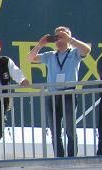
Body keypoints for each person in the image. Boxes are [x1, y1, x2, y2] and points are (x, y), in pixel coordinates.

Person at [28, 27, 92, 158]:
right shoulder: (51, 55)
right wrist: (40, 44)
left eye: (61, 36)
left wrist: (71, 40)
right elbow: (30, 58)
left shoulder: (74, 53)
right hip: (52, 95)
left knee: (70, 129)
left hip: (68, 94)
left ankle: (71, 157)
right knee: (55, 130)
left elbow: (87, 50)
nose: (58, 39)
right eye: (56, 37)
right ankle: (59, 158)